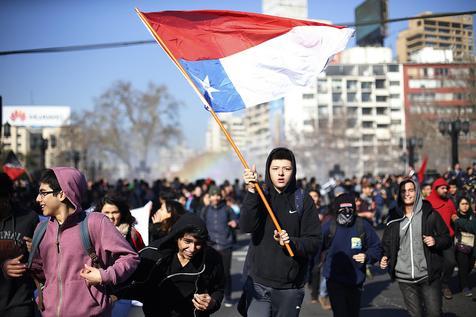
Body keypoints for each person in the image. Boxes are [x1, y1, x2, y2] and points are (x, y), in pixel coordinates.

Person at [3, 168, 139, 316]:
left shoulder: (95, 223)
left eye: (43, 193)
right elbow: (42, 273)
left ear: (62, 194)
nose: (38, 199)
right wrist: (12, 267)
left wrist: (105, 276)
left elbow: (130, 257)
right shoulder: (41, 229)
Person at [240, 147, 321, 317]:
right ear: (268, 170)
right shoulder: (260, 195)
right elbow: (246, 226)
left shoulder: (303, 200)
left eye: (287, 169)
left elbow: (314, 241)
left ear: (294, 171)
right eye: (275, 169)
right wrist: (252, 190)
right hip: (258, 284)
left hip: (290, 287)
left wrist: (292, 242)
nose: (281, 174)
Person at [117, 213, 225, 317]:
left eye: (198, 244)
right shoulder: (154, 254)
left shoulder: (211, 258)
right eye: (187, 241)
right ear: (177, 237)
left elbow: (218, 288)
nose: (192, 249)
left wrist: (212, 302)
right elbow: (134, 284)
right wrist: (114, 294)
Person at [380, 178, 451, 317]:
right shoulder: (394, 216)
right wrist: (384, 257)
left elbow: (446, 238)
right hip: (405, 277)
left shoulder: (429, 213)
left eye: (411, 190)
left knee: (434, 313)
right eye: (403, 191)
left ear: (417, 192)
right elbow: (387, 243)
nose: (407, 194)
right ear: (399, 194)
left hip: (428, 275)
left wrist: (435, 241)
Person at [321, 193, 382, 317]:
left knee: (353, 313)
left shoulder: (362, 225)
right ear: (336, 210)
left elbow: (376, 246)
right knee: (340, 313)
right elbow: (313, 247)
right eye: (342, 209)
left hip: (356, 280)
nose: (347, 212)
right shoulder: (328, 226)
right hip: (334, 279)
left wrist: (367, 256)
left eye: (350, 209)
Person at [0, 173, 39, 317]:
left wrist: (37, 252)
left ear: (7, 198)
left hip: (20, 303)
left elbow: (46, 259)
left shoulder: (29, 218)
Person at [200, 185, 238, 307]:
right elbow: (200, 225)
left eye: (217, 195)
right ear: (209, 197)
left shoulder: (227, 209)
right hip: (210, 246)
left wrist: (235, 223)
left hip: (225, 245)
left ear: (220, 196)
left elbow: (236, 220)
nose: (215, 198)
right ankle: (210, 295)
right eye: (213, 195)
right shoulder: (205, 210)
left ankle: (228, 296)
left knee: (226, 272)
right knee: (208, 273)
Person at [426, 177, 457, 299]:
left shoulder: (449, 201)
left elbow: (453, 214)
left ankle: (444, 284)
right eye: (443, 188)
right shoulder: (428, 202)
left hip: (447, 238)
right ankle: (433, 287)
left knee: (451, 262)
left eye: (446, 188)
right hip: (432, 239)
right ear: (435, 189)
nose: (446, 190)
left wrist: (456, 219)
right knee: (433, 265)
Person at [451, 196, 475, 297]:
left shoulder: (472, 215)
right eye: (462, 204)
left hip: (472, 245)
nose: (465, 206)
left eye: (466, 204)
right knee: (463, 265)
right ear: (458, 205)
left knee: (470, 265)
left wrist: (458, 221)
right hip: (460, 246)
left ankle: (462, 278)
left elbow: (472, 227)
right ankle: (464, 286)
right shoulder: (454, 215)